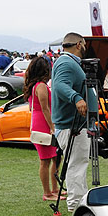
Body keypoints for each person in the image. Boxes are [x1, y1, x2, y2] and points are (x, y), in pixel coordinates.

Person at [51, 32, 92, 214]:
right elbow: (59, 85)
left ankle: (79, 199)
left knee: (79, 162)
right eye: (83, 44)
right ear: (78, 44)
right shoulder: (67, 62)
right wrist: (76, 98)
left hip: (73, 124)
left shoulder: (66, 62)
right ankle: (75, 204)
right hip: (71, 125)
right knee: (77, 163)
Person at [23, 57, 62, 201]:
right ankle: (47, 192)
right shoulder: (41, 86)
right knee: (45, 160)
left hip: (39, 121)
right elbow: (45, 108)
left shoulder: (35, 86)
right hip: (43, 124)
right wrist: (52, 127)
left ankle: (54, 189)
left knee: (54, 157)